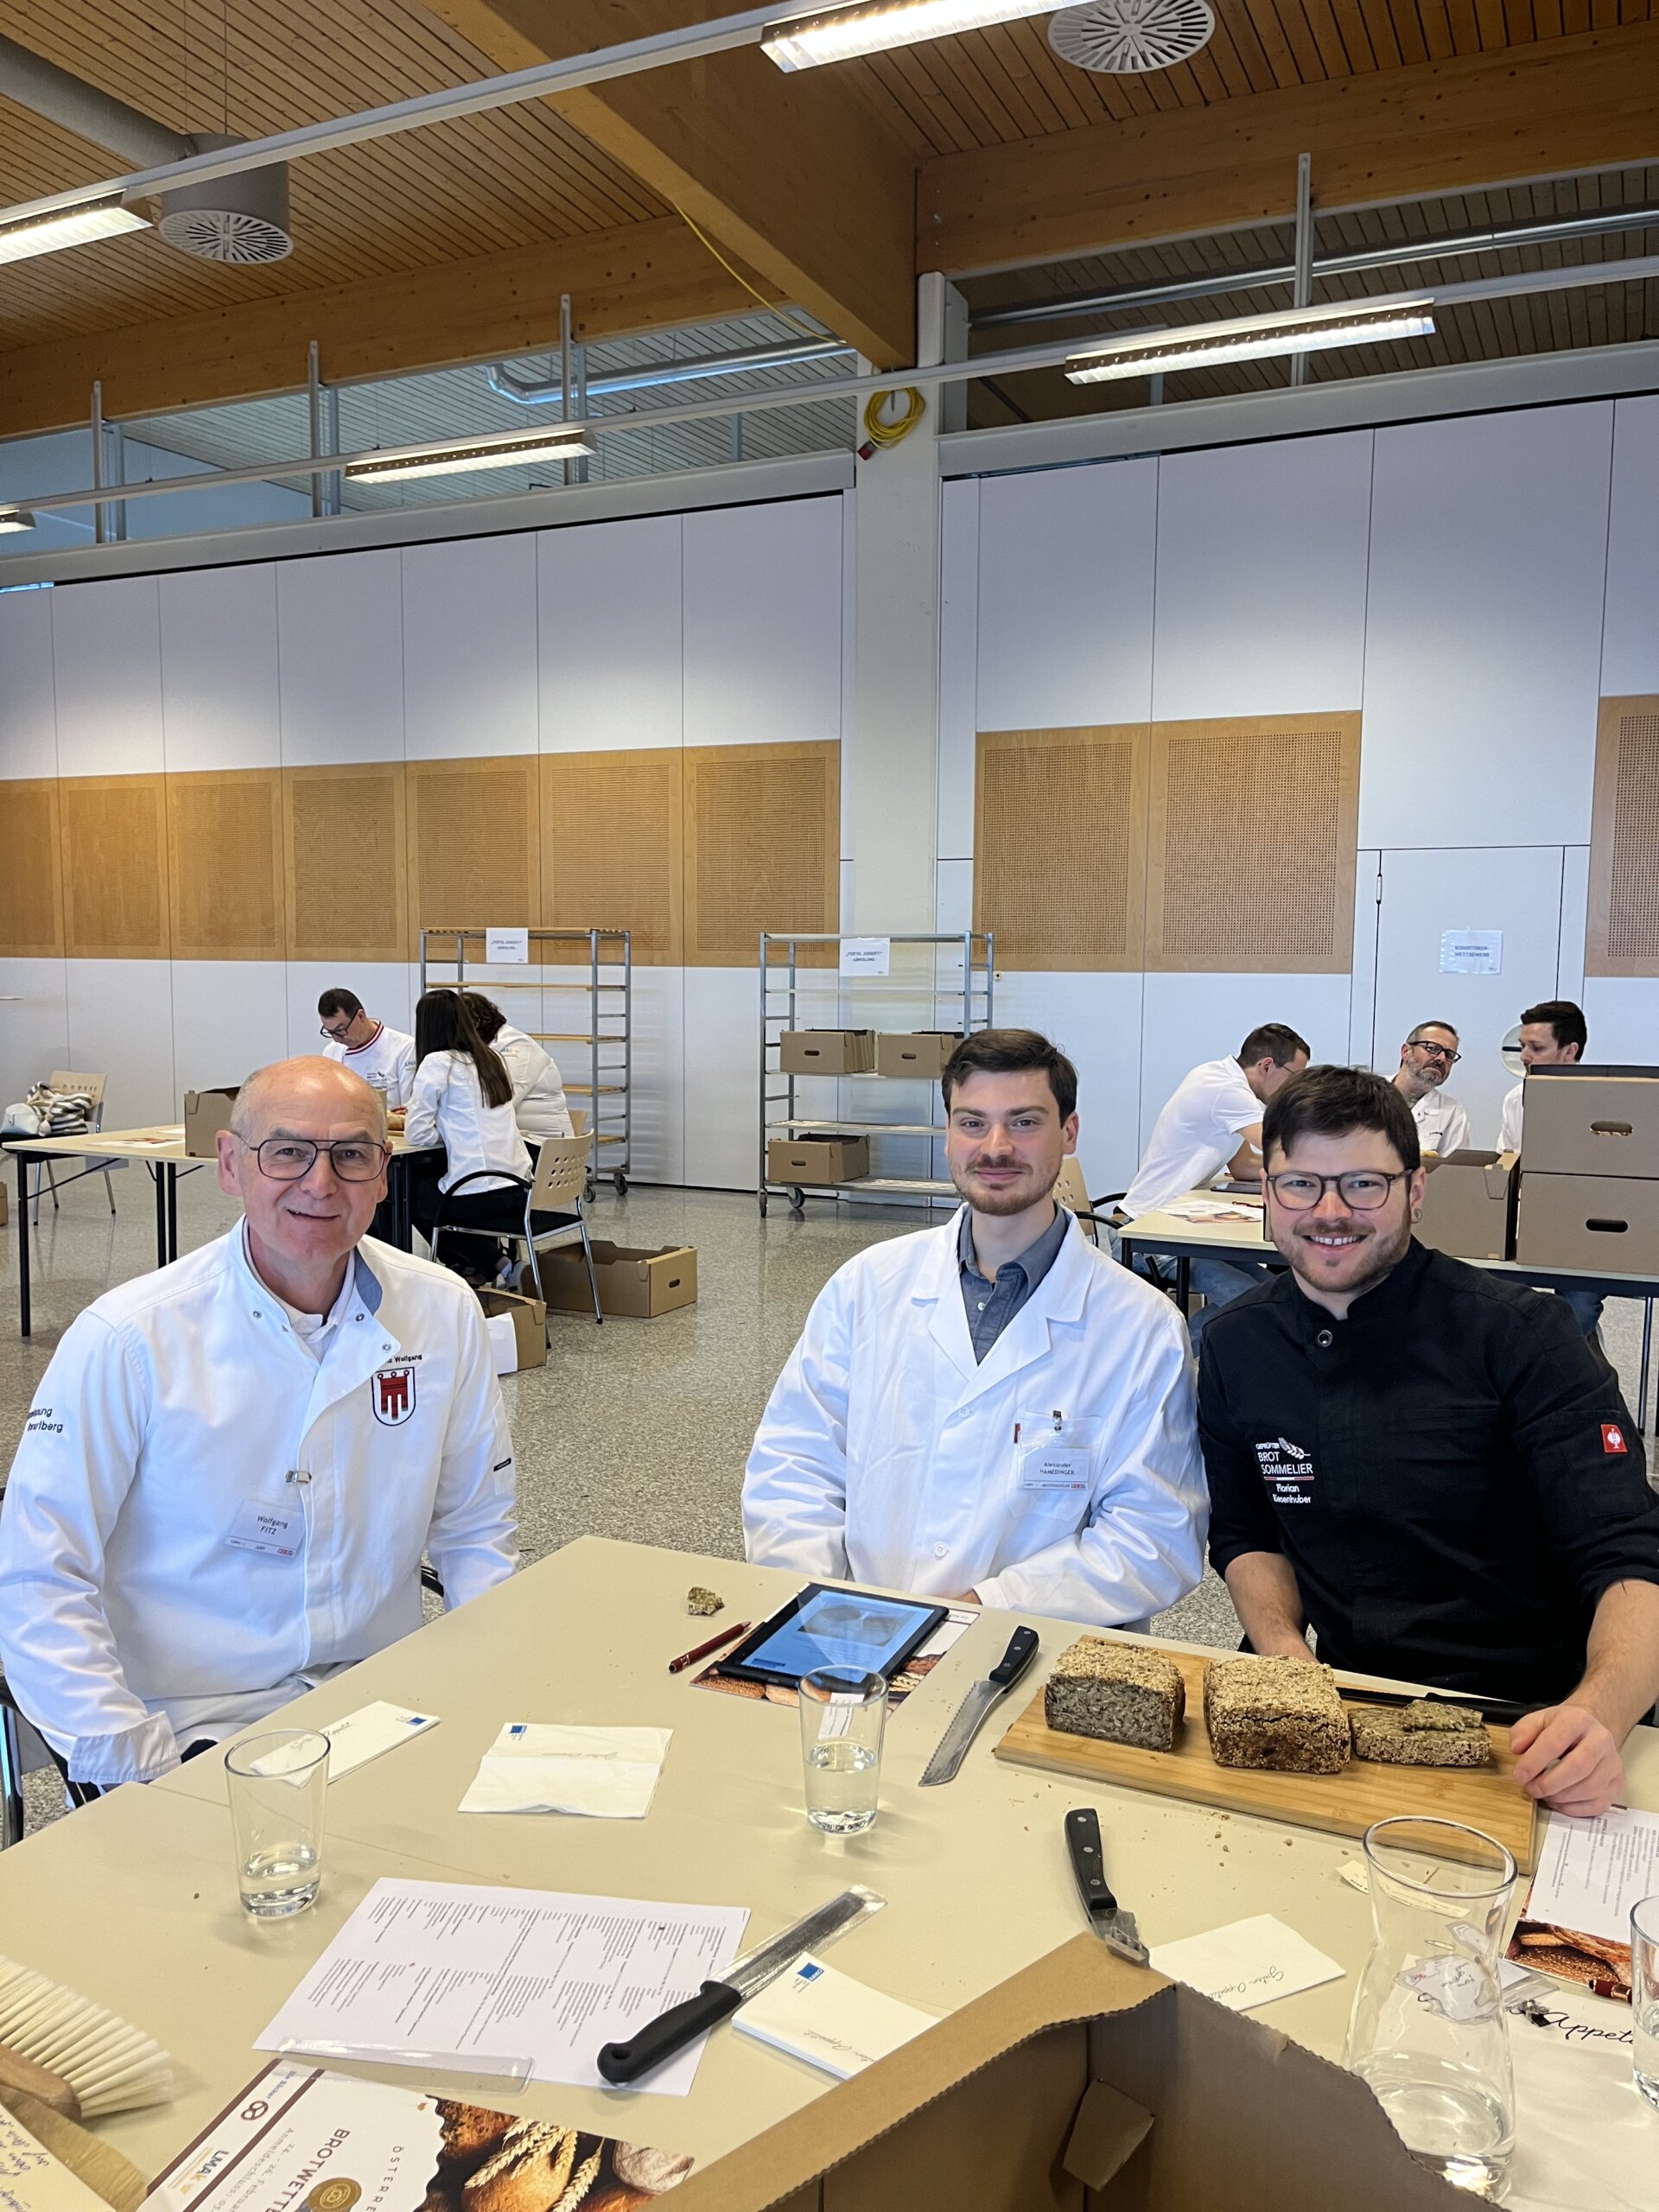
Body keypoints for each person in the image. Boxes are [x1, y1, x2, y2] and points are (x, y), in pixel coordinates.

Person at [0, 1057, 517, 1788]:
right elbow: (38, 1575)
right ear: (230, 1164)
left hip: (383, 1706)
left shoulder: (442, 1310)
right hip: (189, 1727)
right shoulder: (128, 1339)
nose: (320, 1183)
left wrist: (491, 1692)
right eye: (287, 1152)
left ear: (383, 1173)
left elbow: (474, 1528)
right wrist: (134, 1770)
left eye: (351, 1155)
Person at [1199, 1062, 1659, 1817]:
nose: (1330, 1212)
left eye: (1364, 1184)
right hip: (1351, 1700)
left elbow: (1629, 1554)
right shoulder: (1236, 1343)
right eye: (1301, 1184)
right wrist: (1286, 1657)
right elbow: (1247, 1533)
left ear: (1415, 1191)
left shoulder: (1521, 1335)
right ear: (1269, 1192)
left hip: (1533, 1722)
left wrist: (1597, 1716)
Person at [742, 1028, 1207, 1627]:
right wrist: (825, 1604)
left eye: (1024, 1122)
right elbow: (793, 1467)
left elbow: (1152, 1538)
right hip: (855, 1637)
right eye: (972, 1123)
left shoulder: (1142, 1327)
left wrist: (984, 1610)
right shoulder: (867, 1286)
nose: (995, 1147)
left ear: (1069, 1133)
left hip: (1035, 1646)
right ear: (948, 1134)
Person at [1117, 1023, 1311, 1338]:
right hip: (1146, 1235)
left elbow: (1244, 1166)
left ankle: (1180, 1351)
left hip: (1178, 1228)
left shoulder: (1221, 1079)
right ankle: (1168, 1358)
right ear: (1267, 1066)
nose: (1294, 1089)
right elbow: (1281, 1146)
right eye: (1295, 1077)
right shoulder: (1226, 1089)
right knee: (1256, 1303)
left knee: (1277, 1294)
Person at [404, 990, 533, 1276]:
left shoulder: (438, 1062)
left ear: (425, 1026)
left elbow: (416, 1134)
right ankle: (479, 1265)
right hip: (519, 1189)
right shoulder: (492, 1058)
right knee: (431, 1194)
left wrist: (447, 1136)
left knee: (403, 1197)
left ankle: (495, 1265)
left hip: (482, 1193)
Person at [1497, 1000, 1601, 1338]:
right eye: (1523, 1046)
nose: (1525, 1056)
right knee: (1486, 1294)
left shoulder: (1605, 1101)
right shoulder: (1515, 1099)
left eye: (1537, 1048)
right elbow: (1507, 1164)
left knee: (1578, 1308)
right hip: (1527, 1222)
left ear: (1570, 1051)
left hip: (1587, 1230)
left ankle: (1565, 1360)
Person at [468, 995, 575, 1142]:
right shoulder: (482, 1049)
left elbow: (501, 1104)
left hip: (542, 1144)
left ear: (475, 1025)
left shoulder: (518, 1048)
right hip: (514, 1141)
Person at [318, 988, 416, 1114]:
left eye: (341, 1030)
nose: (337, 1039)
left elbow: (409, 1109)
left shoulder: (404, 1047)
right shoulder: (331, 1051)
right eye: (331, 1032)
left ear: (361, 1016)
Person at [1391, 1020, 1470, 1160]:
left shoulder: (1452, 1112)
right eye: (1432, 1048)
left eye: (1449, 1055)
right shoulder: (1363, 1094)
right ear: (1406, 1052)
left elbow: (1452, 1169)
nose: (1441, 1059)